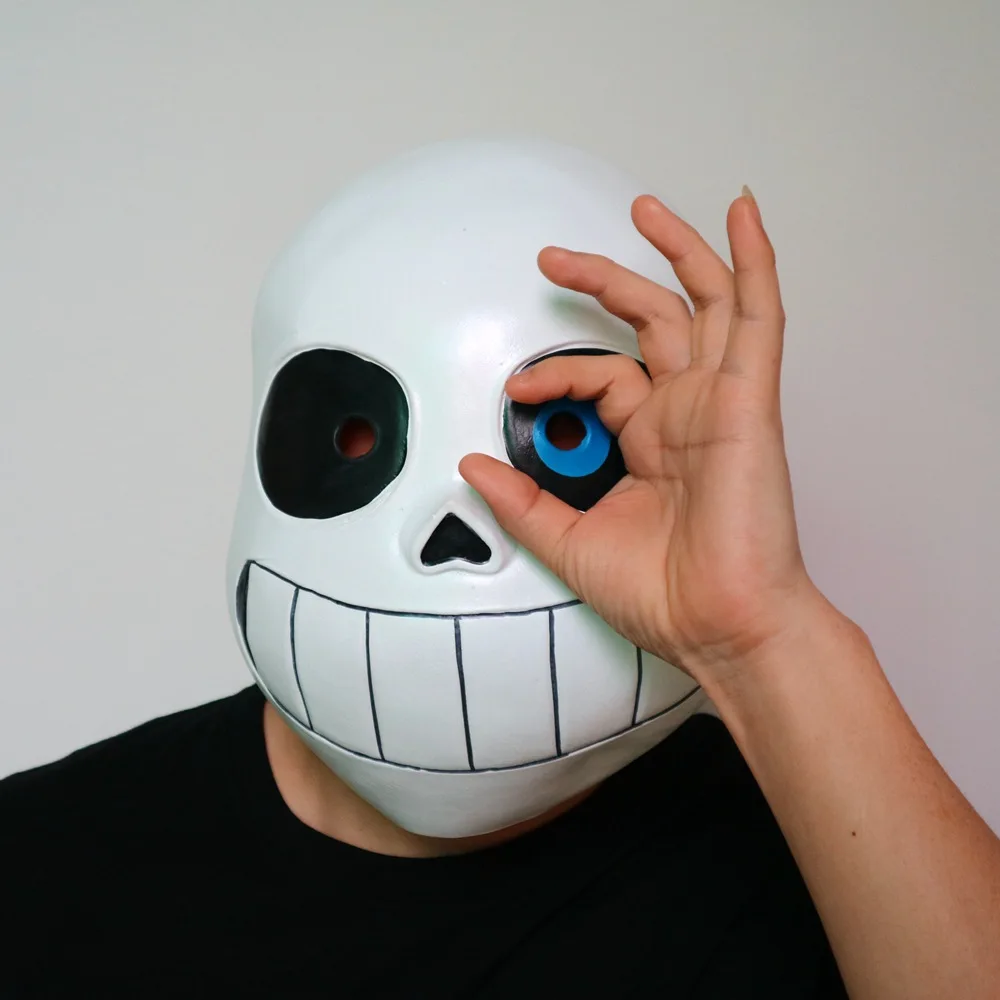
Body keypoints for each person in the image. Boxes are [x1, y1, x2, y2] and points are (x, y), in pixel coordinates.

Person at [2, 187, 998, 999]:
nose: (454, 537)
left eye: (567, 435)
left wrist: (762, 632)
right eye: (353, 434)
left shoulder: (828, 868)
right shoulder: (41, 861)